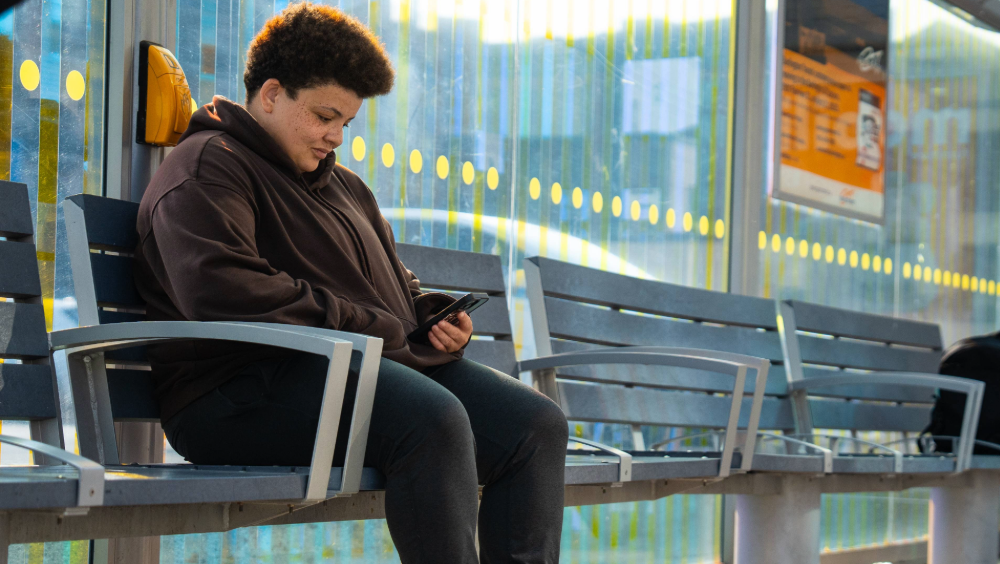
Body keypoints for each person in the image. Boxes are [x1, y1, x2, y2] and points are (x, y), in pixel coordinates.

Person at [132, 3, 568, 562]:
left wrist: (430, 314)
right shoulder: (208, 167)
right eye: (324, 116)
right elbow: (219, 289)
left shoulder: (343, 187)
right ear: (271, 95)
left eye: (346, 122)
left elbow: (393, 281)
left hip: (354, 371)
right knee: (431, 420)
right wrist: (369, 324)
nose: (335, 135)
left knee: (536, 426)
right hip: (235, 393)